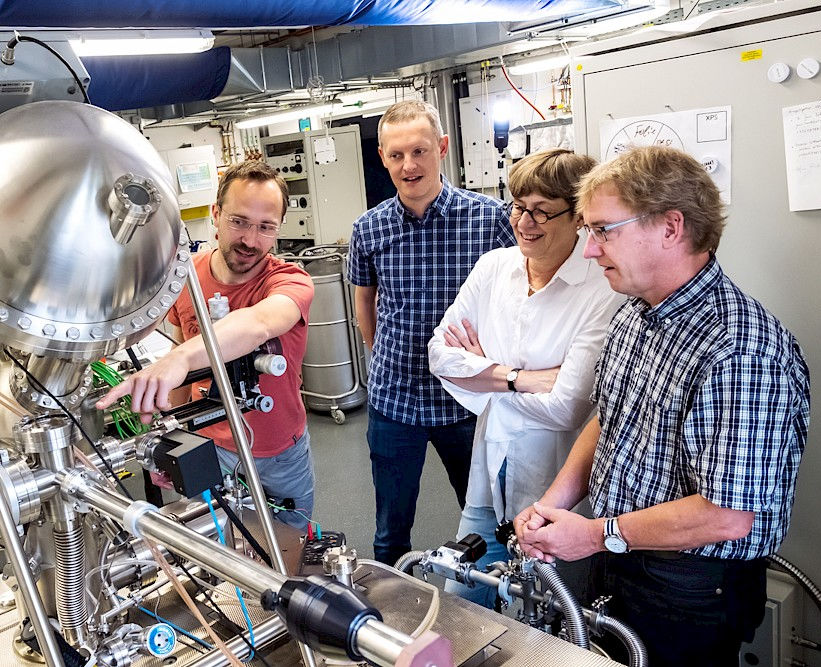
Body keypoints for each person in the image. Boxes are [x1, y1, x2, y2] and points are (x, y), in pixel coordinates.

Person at [515, 146, 809, 667]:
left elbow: (727, 516)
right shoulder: (634, 313)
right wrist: (555, 505)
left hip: (687, 587)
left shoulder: (740, 351)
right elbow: (610, 418)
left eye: (604, 230)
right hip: (617, 555)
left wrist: (597, 534)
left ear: (671, 227)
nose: (589, 249)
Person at [428, 149, 622, 606]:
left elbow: (567, 408)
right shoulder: (494, 267)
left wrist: (481, 377)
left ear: (578, 217)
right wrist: (519, 378)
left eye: (541, 210)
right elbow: (440, 354)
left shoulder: (601, 288)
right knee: (461, 598)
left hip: (554, 492)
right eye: (517, 206)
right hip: (486, 476)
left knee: (550, 617)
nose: (524, 221)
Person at [97, 160, 316, 529]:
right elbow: (179, 353)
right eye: (239, 221)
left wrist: (183, 357)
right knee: (217, 555)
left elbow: (260, 323)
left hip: (279, 453)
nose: (250, 239)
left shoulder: (292, 281)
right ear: (216, 213)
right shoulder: (186, 276)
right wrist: (169, 440)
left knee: (289, 550)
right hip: (207, 447)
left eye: (265, 228)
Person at [348, 100, 515, 565]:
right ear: (382, 157)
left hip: (467, 399)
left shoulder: (490, 219)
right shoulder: (369, 228)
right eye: (396, 155)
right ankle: (389, 623)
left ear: (441, 148)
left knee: (484, 521)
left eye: (419, 151)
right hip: (395, 398)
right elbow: (365, 295)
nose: (409, 165)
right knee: (390, 531)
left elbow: (519, 289)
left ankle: (493, 613)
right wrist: (374, 346)